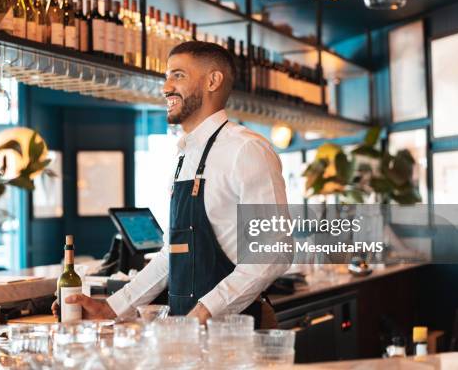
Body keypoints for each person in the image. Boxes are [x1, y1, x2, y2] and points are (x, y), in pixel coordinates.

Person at [53, 41, 289, 327]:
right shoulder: (184, 156)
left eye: (178, 75)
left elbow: (274, 253)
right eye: (167, 77)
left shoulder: (247, 150)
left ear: (213, 81)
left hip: (239, 330)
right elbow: (173, 254)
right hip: (187, 331)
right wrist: (113, 308)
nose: (165, 88)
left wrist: (204, 313)